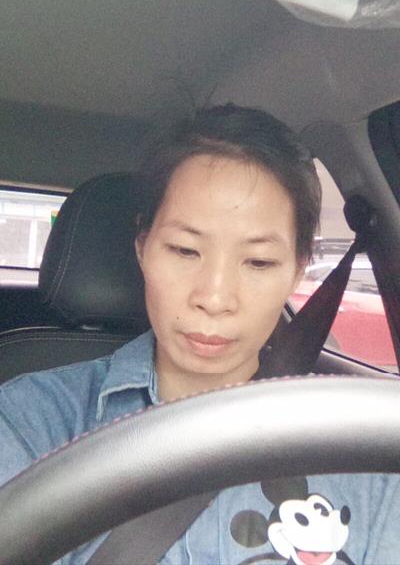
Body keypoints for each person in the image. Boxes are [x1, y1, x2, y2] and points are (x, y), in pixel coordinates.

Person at [0, 104, 399, 564]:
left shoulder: (363, 447)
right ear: (142, 247)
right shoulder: (31, 423)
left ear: (297, 270)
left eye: (258, 262)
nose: (214, 297)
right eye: (185, 250)